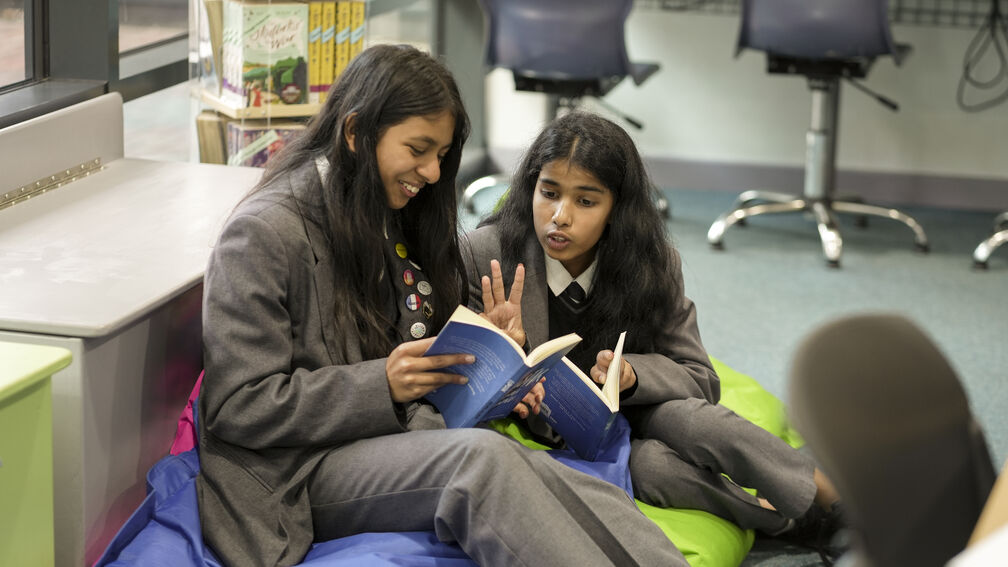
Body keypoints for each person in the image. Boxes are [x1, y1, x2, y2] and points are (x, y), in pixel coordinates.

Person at [196, 45, 691, 567]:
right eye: (419, 149)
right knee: (483, 463)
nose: (433, 172)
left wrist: (490, 363)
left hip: (392, 437)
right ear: (355, 133)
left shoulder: (382, 209)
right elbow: (238, 406)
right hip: (299, 471)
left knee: (572, 482)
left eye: (441, 155)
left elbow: (415, 369)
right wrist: (381, 383)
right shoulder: (263, 234)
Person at [463, 111, 844, 547]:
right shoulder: (486, 255)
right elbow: (455, 392)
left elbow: (700, 379)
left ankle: (836, 501)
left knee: (692, 421)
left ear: (616, 210)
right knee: (654, 470)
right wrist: (499, 362)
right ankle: (791, 524)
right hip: (541, 434)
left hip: (632, 412)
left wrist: (632, 376)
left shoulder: (651, 263)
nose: (560, 216)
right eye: (548, 193)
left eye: (586, 201)